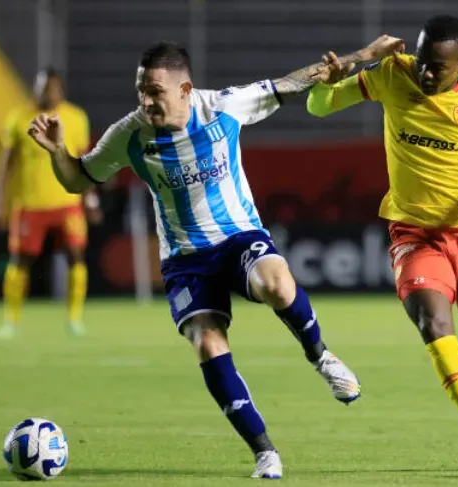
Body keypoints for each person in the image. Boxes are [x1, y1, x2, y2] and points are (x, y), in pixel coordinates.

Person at [26, 38, 399, 478]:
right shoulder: (129, 135)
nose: (146, 102)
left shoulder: (223, 107)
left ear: (185, 90)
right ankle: (265, 452)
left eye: (156, 92)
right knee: (208, 343)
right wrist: (57, 154)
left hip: (238, 236)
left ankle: (320, 356)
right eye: (141, 90)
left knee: (276, 283)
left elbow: (291, 83)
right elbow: (78, 178)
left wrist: (357, 59)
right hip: (185, 259)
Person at [307, 16, 458, 478]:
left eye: (438, 68)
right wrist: (344, 67)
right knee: (433, 322)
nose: (426, 73)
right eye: (423, 63)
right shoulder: (393, 73)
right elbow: (320, 106)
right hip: (414, 233)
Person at [0, 69, 101, 339]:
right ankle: (11, 321)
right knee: (20, 260)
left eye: (51, 88)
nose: (45, 93)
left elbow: (83, 160)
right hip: (30, 204)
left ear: (60, 91)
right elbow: (8, 163)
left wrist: (90, 197)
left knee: (76, 256)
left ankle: (75, 320)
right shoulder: (19, 117)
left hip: (68, 202)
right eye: (41, 88)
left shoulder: (76, 117)